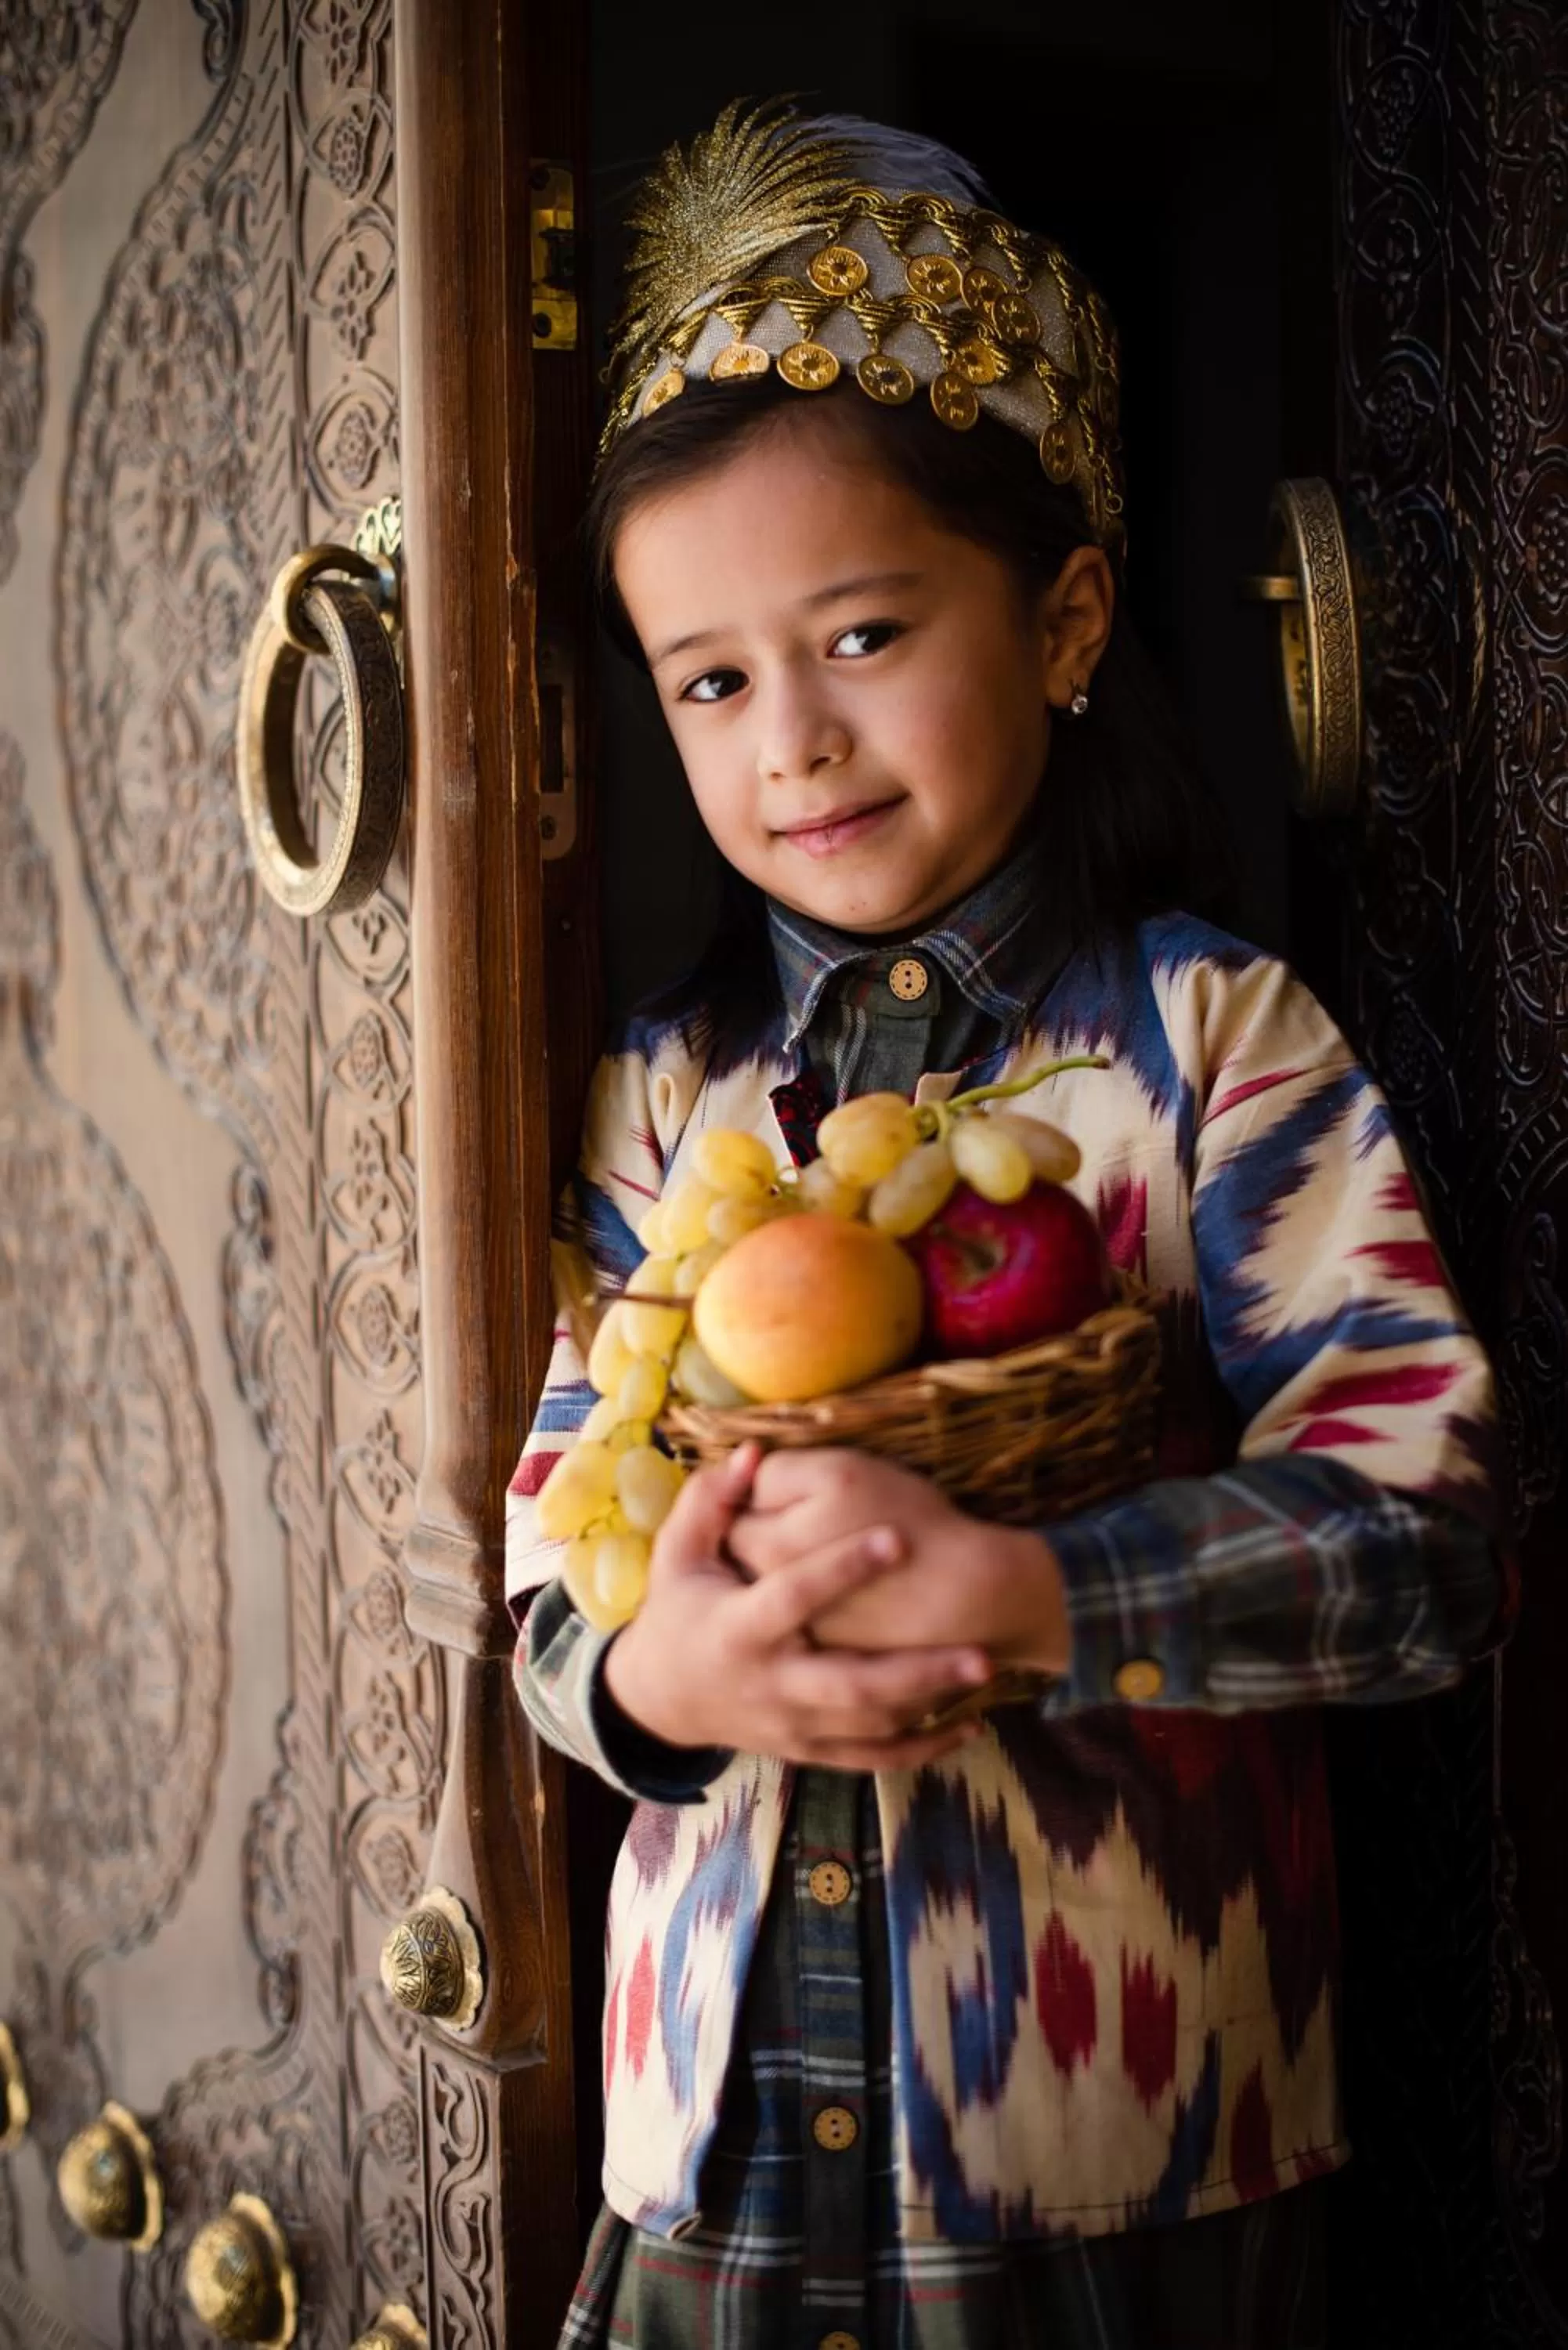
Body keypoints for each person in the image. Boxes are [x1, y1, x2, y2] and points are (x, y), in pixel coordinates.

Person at [505, 99, 1503, 2348]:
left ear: (1060, 617)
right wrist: (663, 1676)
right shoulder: (665, 1101)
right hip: (721, 2183)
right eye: (714, 680)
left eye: (863, 633)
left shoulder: (1209, 1044)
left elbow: (1427, 1528)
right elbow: (548, 1562)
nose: (795, 744)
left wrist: (1050, 1598)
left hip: (1118, 2167)